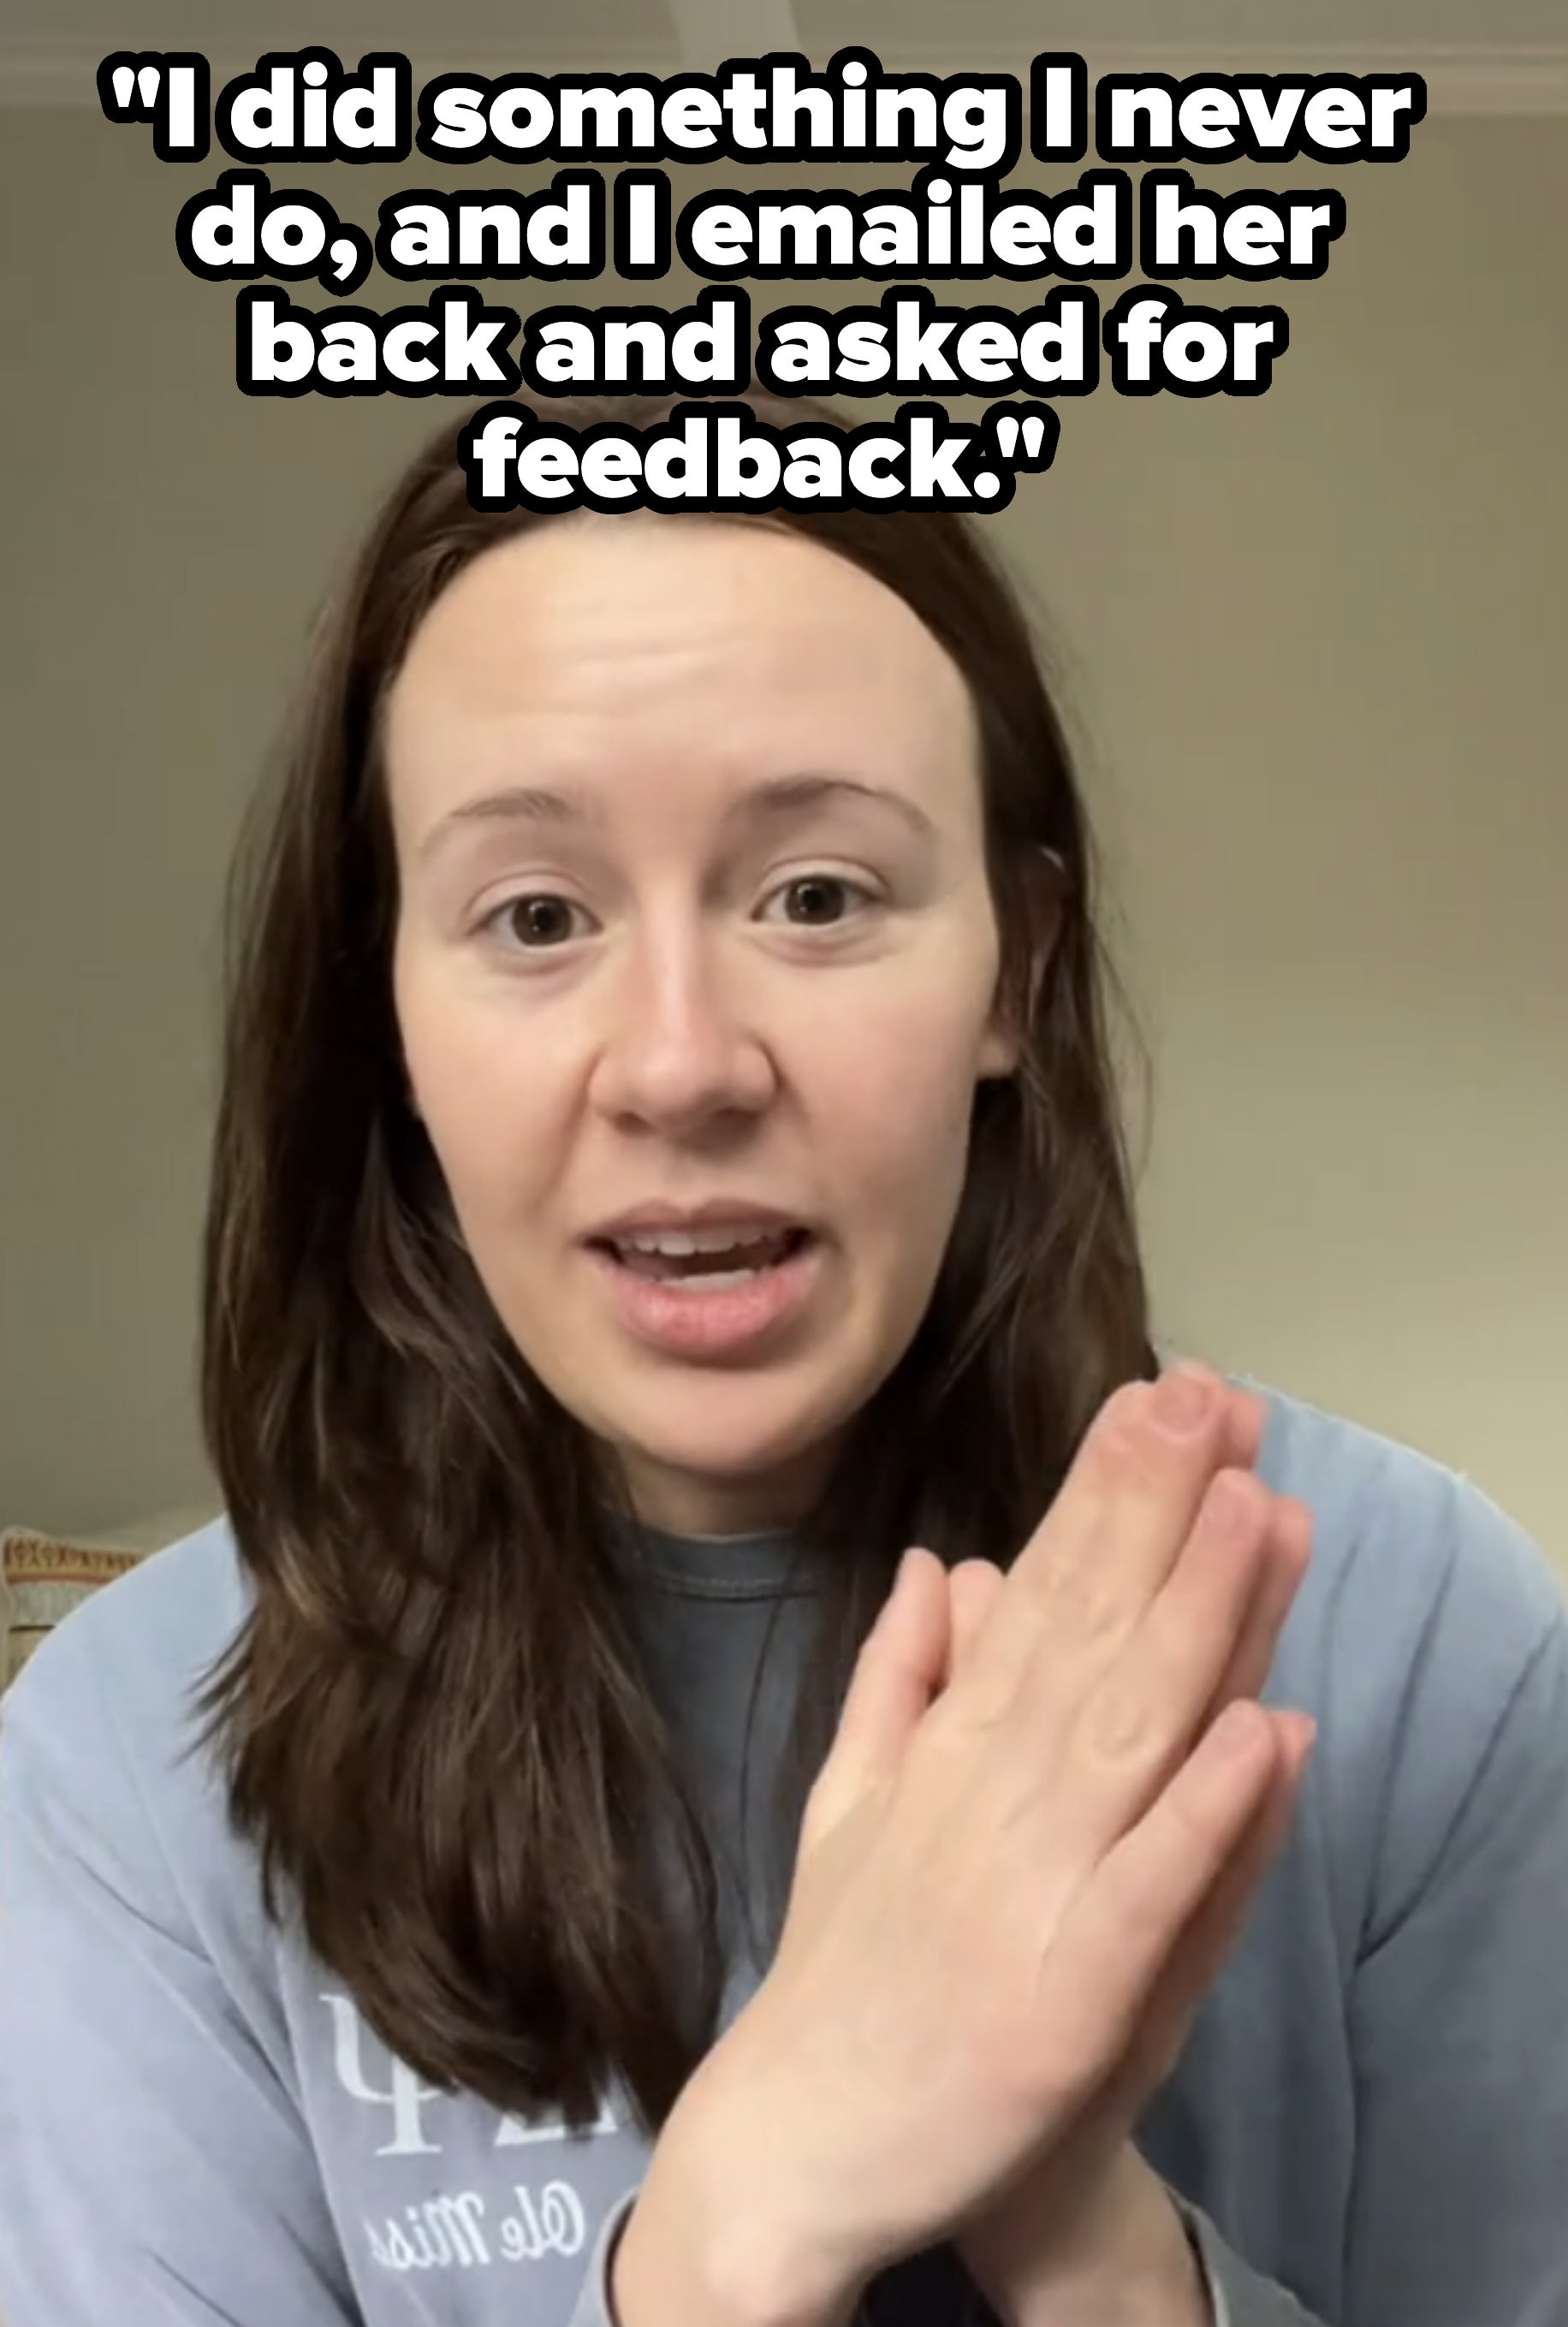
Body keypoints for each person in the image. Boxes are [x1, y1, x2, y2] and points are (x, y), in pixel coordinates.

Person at [1, 390, 1565, 2327]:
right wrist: (741, 2227)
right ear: (385, 1016)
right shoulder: (130, 1756)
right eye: (536, 913)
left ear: (1019, 968)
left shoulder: (1424, 1645)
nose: (680, 1064)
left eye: (816, 896)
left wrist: (1074, 2222)